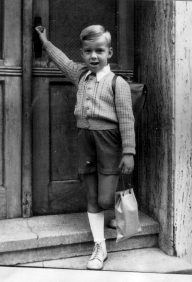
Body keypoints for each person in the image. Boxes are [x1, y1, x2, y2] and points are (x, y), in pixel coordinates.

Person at [36, 25, 135, 270]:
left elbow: (126, 119)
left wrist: (128, 152)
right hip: (85, 140)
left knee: (104, 197)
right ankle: (100, 246)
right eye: (88, 51)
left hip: (109, 142)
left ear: (109, 52)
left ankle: (117, 215)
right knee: (92, 195)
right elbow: (62, 60)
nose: (93, 56)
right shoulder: (81, 75)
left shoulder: (117, 83)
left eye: (99, 50)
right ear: (82, 53)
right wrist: (45, 41)